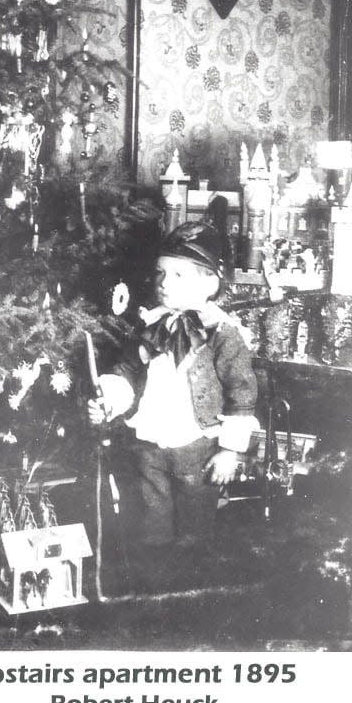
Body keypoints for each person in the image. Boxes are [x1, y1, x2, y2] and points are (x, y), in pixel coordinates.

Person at [88, 221, 258, 589]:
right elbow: (129, 369)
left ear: (210, 283)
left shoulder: (223, 334)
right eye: (161, 273)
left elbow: (242, 391)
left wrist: (230, 450)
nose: (164, 282)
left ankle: (190, 591)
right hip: (150, 441)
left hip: (197, 445)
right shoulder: (152, 325)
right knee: (151, 515)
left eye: (179, 274)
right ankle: (154, 588)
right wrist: (113, 398)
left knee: (195, 520)